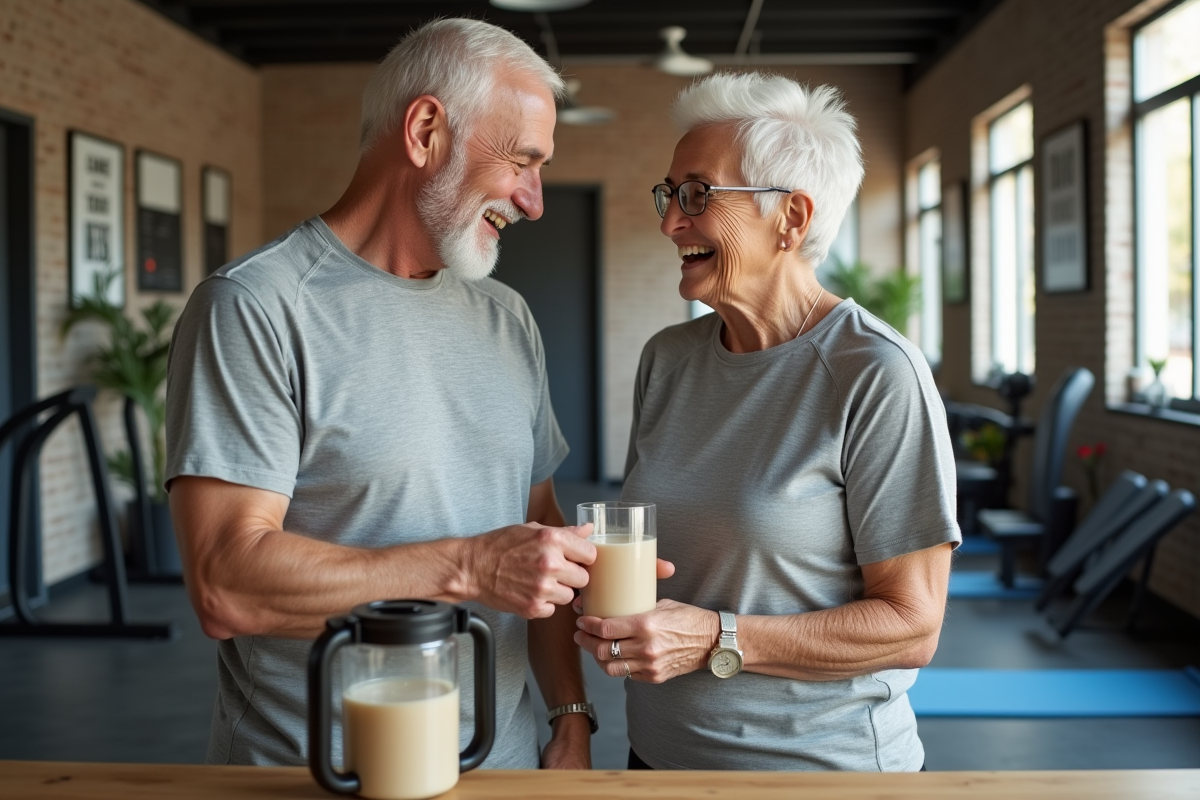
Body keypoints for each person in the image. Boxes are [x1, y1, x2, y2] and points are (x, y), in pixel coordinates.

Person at [165, 19, 599, 770]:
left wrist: (569, 715)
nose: (533, 201)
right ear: (427, 129)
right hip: (315, 774)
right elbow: (226, 583)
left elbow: (538, 525)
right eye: (522, 161)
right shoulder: (255, 307)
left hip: (505, 767)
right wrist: (465, 568)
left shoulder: (507, 317)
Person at [574, 73, 959, 772]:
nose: (669, 222)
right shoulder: (669, 360)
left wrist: (719, 635)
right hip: (655, 759)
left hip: (818, 774)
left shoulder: (875, 372)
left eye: (697, 195)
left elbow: (912, 627)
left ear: (792, 217)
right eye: (669, 195)